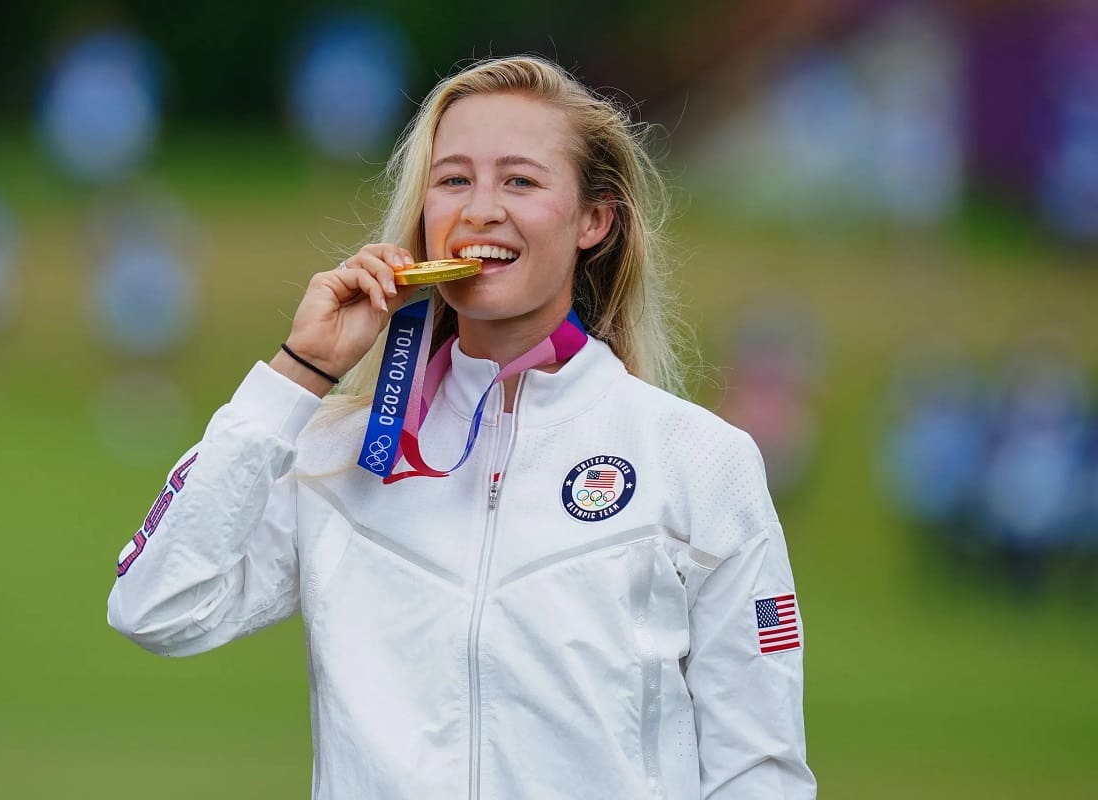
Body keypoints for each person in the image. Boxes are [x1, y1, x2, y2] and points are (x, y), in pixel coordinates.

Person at [107, 55, 816, 799]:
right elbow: (157, 605)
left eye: (520, 181)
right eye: (453, 181)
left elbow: (758, 768)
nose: (480, 209)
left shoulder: (698, 459)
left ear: (594, 220)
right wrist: (299, 373)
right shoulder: (334, 452)